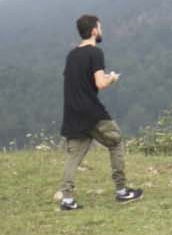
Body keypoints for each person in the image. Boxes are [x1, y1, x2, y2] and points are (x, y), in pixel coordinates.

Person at [58, 14, 143, 209]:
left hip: (72, 112)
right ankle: (122, 191)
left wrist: (102, 76)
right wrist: (111, 78)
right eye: (100, 27)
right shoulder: (95, 53)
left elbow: (80, 80)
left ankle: (67, 199)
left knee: (74, 156)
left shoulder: (72, 55)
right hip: (91, 111)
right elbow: (99, 83)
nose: (101, 30)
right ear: (94, 30)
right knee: (116, 141)